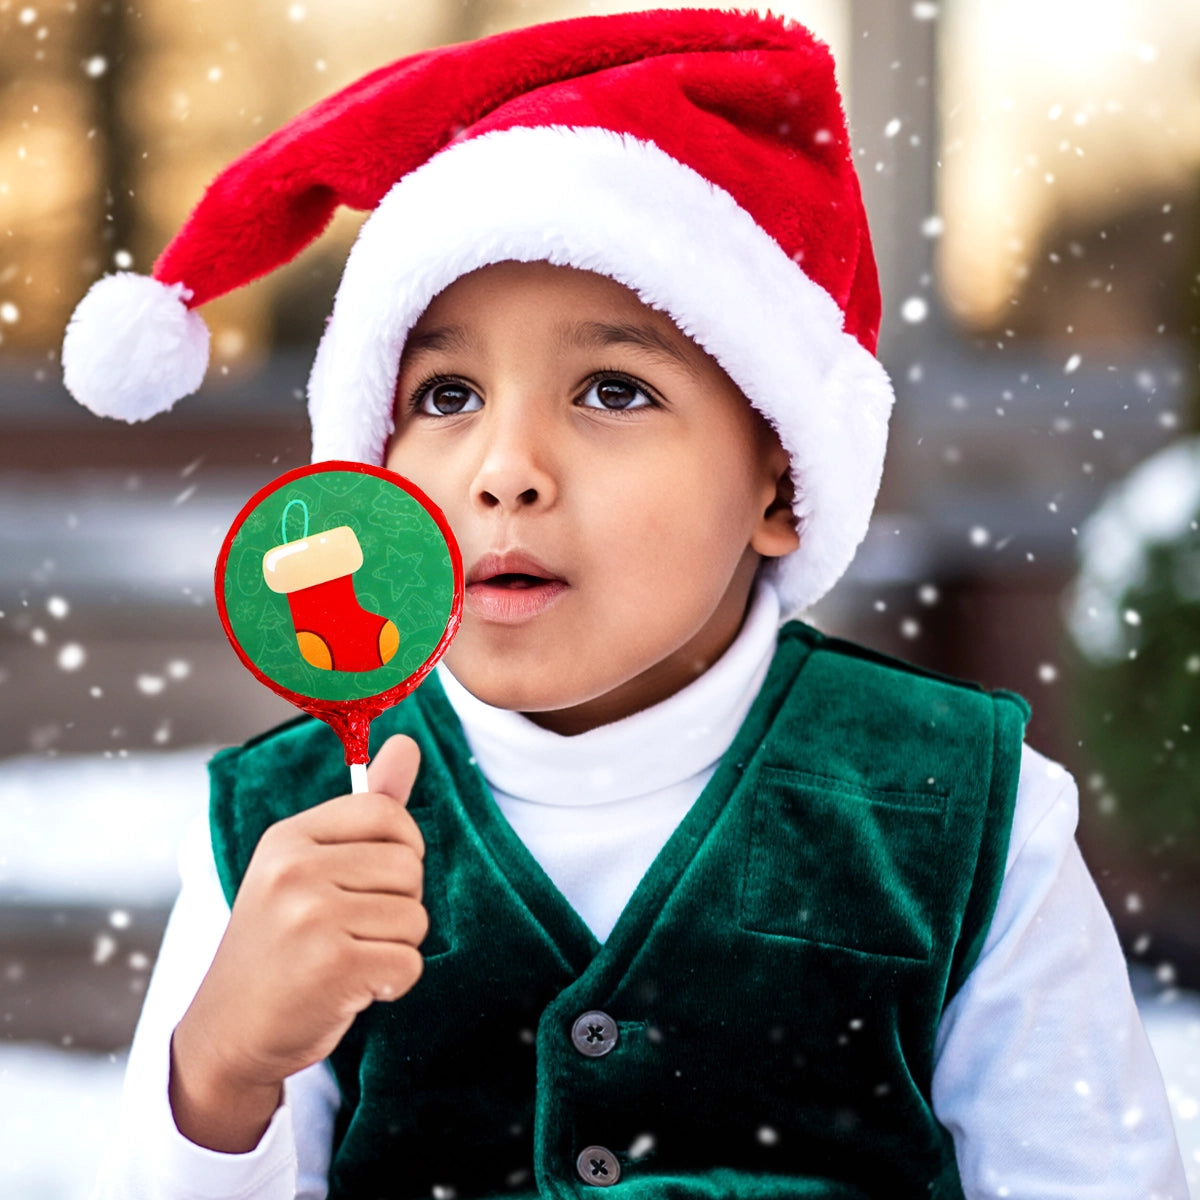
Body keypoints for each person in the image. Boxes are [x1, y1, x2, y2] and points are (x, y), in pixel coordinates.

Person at [62, 9, 1187, 1199]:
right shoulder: (275, 838)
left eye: (611, 388)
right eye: (445, 394)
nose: (507, 467)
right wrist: (224, 1073)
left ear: (781, 482)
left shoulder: (969, 819)